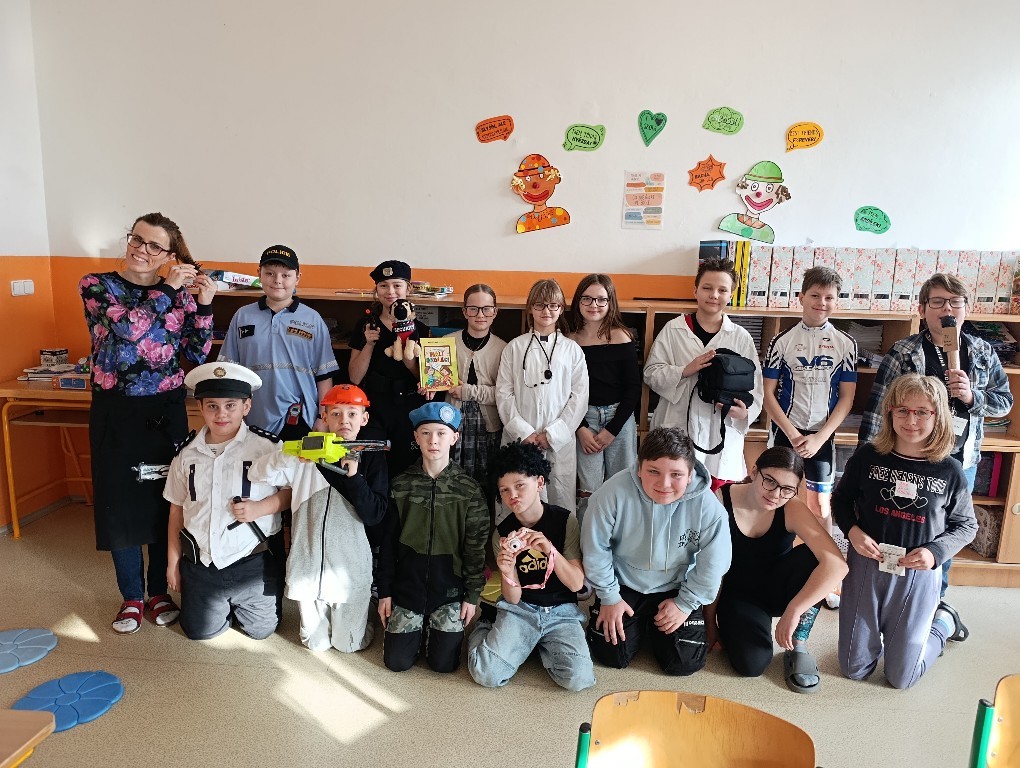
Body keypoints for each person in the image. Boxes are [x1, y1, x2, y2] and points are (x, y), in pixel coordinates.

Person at [79, 212, 216, 634]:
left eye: (155, 245)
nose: (142, 249)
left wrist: (205, 304)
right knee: (118, 502)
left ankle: (158, 591)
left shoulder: (178, 294)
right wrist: (167, 289)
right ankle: (131, 597)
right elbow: (128, 329)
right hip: (115, 410)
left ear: (169, 255)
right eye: (137, 239)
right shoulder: (97, 285)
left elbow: (197, 352)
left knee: (165, 499)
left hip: (165, 409)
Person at [858, 273, 1012, 631]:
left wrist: (973, 396)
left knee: (945, 537)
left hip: (959, 462)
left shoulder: (982, 352)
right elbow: (878, 407)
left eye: (955, 303)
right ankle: (891, 603)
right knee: (901, 528)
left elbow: (1005, 401)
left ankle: (932, 606)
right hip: (909, 461)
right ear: (922, 309)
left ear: (966, 309)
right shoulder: (905, 351)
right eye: (938, 302)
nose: (947, 310)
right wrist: (866, 463)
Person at [835, 374, 977, 689]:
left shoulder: (949, 470)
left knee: (902, 678)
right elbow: (840, 500)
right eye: (903, 410)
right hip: (867, 565)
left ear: (937, 416)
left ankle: (943, 623)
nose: (911, 420)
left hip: (917, 572)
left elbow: (967, 525)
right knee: (854, 669)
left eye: (922, 412)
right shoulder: (868, 456)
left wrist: (935, 553)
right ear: (890, 412)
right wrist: (852, 531)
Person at [581, 427, 732, 675]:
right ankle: (640, 625)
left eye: (676, 474)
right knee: (612, 655)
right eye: (653, 471)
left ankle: (651, 625)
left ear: (690, 474)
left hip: (677, 586)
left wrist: (685, 604)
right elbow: (595, 548)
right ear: (639, 468)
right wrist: (609, 597)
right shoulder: (611, 493)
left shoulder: (708, 506)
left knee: (684, 663)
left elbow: (714, 563)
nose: (664, 484)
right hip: (624, 584)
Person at [249, 384, 387, 652]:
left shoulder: (372, 458)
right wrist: (289, 455)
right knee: (315, 644)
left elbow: (375, 515)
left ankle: (363, 611)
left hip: (349, 571)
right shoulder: (306, 453)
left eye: (352, 413)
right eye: (336, 413)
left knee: (348, 645)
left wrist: (354, 477)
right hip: (308, 568)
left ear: (364, 418)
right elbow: (257, 474)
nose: (344, 420)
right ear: (324, 417)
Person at [704, 447, 848, 693]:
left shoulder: (792, 507)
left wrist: (795, 609)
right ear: (754, 472)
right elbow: (712, 568)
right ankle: (742, 627)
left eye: (787, 489)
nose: (775, 494)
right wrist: (710, 623)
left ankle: (798, 645)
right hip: (736, 595)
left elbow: (838, 565)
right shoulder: (720, 500)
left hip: (777, 588)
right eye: (769, 481)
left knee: (816, 558)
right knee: (751, 665)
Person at [164, 363, 290, 641]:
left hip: (253, 561)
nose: (221, 414)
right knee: (199, 632)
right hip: (202, 563)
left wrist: (260, 508)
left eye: (230, 405)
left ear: (246, 406)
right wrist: (173, 563)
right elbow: (176, 509)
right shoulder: (185, 454)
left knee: (261, 631)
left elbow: (291, 492)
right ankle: (218, 605)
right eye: (212, 406)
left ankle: (239, 604)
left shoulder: (268, 447)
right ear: (200, 407)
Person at [763, 266, 857, 608]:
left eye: (829, 297)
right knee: (776, 498)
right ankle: (774, 565)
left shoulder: (846, 344)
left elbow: (847, 398)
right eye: (815, 295)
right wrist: (791, 433)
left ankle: (824, 577)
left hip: (822, 438)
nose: (821, 302)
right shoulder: (782, 341)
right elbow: (768, 394)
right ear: (801, 297)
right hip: (785, 434)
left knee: (820, 505)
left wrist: (819, 438)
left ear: (836, 301)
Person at [467, 442, 595, 691]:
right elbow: (513, 598)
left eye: (520, 485)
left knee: (579, 678)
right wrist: (507, 571)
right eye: (504, 490)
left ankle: (532, 643)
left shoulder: (564, 520)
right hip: (521, 609)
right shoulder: (503, 533)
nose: (512, 495)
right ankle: (486, 624)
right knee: (486, 673)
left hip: (561, 611)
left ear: (539, 482)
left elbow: (576, 584)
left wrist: (550, 550)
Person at [376, 402, 489, 673]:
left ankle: (435, 630)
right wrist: (385, 592)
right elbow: (387, 544)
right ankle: (414, 629)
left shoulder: (469, 490)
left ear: (454, 437)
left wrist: (472, 596)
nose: (433, 441)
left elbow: (475, 548)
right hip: (407, 589)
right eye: (425, 433)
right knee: (397, 663)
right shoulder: (400, 485)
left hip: (449, 592)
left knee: (443, 664)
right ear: (416, 437)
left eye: (441, 433)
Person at [644, 258, 763, 489]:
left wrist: (744, 413)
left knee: (715, 496)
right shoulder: (674, 329)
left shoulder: (740, 337)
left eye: (722, 290)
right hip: (677, 426)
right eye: (707, 288)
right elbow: (651, 374)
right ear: (695, 290)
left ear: (731, 295)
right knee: (671, 488)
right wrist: (684, 370)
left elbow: (756, 387)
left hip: (721, 431)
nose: (714, 295)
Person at [218, 245, 338, 439]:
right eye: (270, 273)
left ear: (297, 277)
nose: (277, 280)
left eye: (286, 275)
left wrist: (323, 417)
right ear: (259, 274)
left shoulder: (313, 319)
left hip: (299, 417)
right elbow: (229, 372)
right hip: (251, 417)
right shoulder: (242, 316)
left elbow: (324, 376)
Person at [496, 279, 588, 514]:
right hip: (521, 439)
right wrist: (524, 432)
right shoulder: (514, 347)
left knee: (558, 503)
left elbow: (579, 397)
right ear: (530, 308)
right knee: (518, 500)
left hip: (558, 442)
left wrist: (553, 435)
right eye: (539, 305)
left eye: (553, 305)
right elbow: (504, 393)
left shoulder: (572, 350)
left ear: (561, 308)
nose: (546, 311)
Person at [349, 260, 430, 479]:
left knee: (406, 466)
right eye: (383, 285)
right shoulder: (367, 325)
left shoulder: (420, 329)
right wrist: (369, 343)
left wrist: (407, 356)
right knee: (372, 466)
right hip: (375, 406)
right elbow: (354, 377)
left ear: (408, 288)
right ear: (376, 289)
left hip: (409, 406)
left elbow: (425, 379)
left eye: (397, 285)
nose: (390, 291)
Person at [569, 274, 640, 522]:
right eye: (587, 299)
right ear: (578, 302)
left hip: (619, 417)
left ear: (610, 302)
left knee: (624, 484)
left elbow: (633, 388)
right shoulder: (570, 341)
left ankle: (621, 536)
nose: (594, 305)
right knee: (589, 489)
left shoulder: (621, 336)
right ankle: (588, 539)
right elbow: (566, 391)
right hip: (584, 417)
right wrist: (580, 428)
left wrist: (612, 429)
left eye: (601, 299)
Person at [445, 284, 507, 506]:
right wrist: (429, 386)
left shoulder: (504, 348)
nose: (480, 315)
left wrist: (467, 391)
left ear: (495, 312)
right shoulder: (446, 343)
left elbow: (504, 394)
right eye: (473, 309)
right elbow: (435, 381)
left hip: (488, 426)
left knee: (486, 483)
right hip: (452, 422)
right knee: (451, 479)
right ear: (464, 312)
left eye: (487, 309)